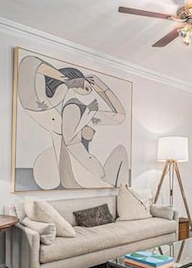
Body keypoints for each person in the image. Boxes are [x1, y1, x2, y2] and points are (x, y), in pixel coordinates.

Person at [16, 55, 127, 189]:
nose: (88, 86)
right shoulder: (72, 109)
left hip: (78, 175)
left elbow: (120, 116)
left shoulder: (65, 110)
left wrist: (102, 88)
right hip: (83, 174)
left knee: (120, 154)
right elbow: (29, 64)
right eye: (82, 83)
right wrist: (68, 81)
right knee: (121, 152)